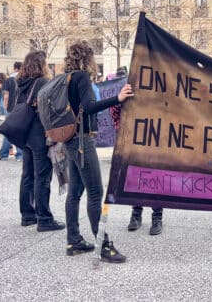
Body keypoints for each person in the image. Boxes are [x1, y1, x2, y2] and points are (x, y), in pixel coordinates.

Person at [63, 41, 133, 263]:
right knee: (95, 192)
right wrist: (117, 99)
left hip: (70, 139)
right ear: (88, 58)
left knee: (74, 192)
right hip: (83, 140)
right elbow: (89, 107)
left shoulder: (67, 77)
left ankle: (73, 240)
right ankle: (103, 246)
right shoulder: (82, 77)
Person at [16, 51, 65, 230]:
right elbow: (48, 111)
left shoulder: (19, 83)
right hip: (39, 134)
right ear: (41, 65)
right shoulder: (42, 82)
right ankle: (44, 219)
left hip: (25, 134)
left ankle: (27, 215)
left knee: (27, 175)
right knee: (42, 176)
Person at [108, 103, 165, 235]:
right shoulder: (128, 87)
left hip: (154, 136)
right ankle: (136, 213)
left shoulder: (158, 88)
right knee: (135, 178)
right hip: (132, 138)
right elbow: (114, 113)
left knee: (155, 176)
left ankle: (157, 216)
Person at [0, 62, 23, 161]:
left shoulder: (8, 80)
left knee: (8, 131)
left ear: (14, 68)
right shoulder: (23, 79)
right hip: (21, 108)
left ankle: (4, 154)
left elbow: (6, 96)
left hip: (10, 108)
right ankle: (20, 155)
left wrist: (6, 107)